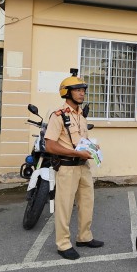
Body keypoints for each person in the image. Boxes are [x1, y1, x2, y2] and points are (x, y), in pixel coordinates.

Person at [44, 71, 104, 260]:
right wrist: (76, 153)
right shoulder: (58, 116)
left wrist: (93, 148)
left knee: (87, 202)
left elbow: (81, 141)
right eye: (77, 90)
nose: (81, 93)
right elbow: (50, 145)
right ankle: (63, 244)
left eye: (82, 90)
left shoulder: (81, 116)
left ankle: (84, 237)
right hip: (67, 167)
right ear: (67, 93)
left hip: (83, 166)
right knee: (65, 206)